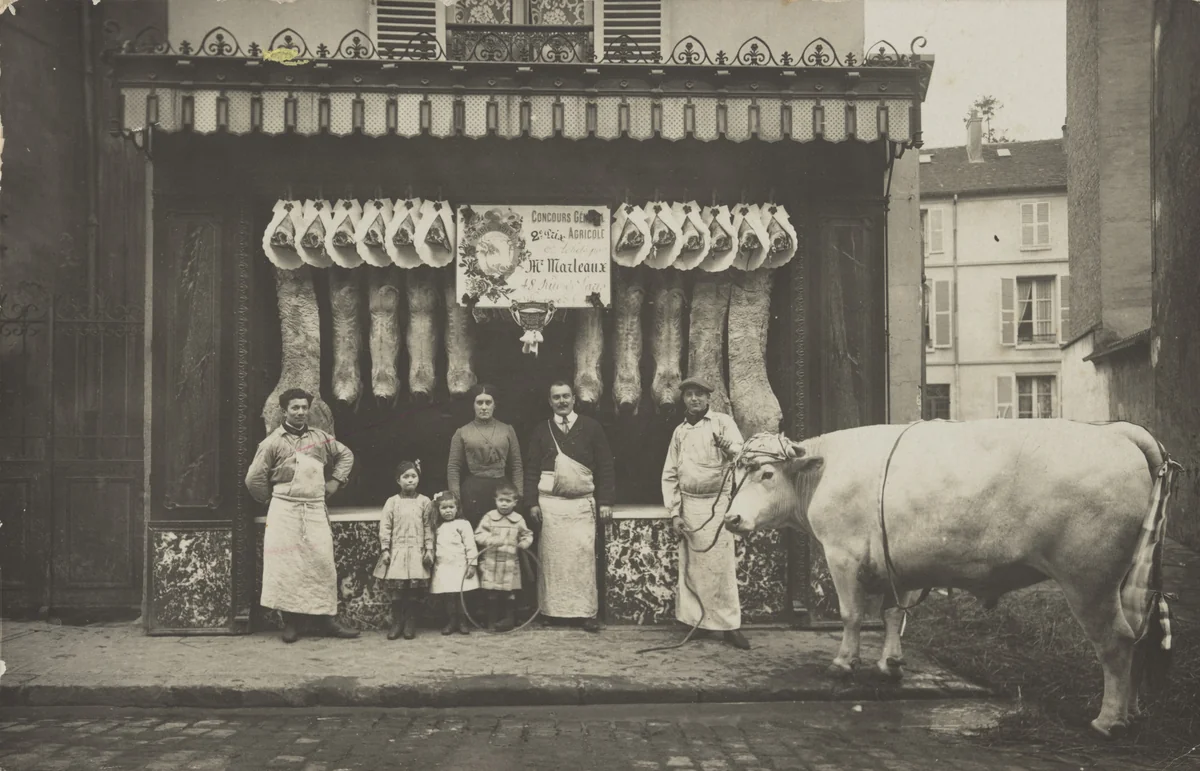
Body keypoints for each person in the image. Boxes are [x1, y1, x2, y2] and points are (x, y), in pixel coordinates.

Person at [245, 388, 360, 644]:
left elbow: (346, 455)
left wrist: (335, 481)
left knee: (322, 562)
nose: (300, 412)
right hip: (284, 509)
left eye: (304, 408)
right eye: (294, 408)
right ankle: (291, 623)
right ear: (284, 411)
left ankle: (327, 619)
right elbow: (254, 478)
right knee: (287, 566)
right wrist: (272, 499)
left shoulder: (320, 438)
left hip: (315, 507)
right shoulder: (273, 442)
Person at [661, 377, 750, 650]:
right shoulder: (679, 432)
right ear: (683, 399)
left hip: (717, 504)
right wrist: (675, 513)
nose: (694, 399)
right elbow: (670, 473)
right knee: (692, 567)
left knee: (721, 568)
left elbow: (743, 455)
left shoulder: (722, 423)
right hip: (689, 505)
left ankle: (729, 626)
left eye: (699, 394)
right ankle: (695, 622)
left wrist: (728, 448)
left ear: (709, 398)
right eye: (689, 395)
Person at [524, 380, 615, 633]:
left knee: (583, 559)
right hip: (551, 506)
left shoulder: (592, 427)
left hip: (581, 506)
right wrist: (531, 502)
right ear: (550, 401)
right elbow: (531, 468)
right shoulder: (542, 430)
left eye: (566, 396)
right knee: (551, 561)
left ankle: (587, 613)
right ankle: (551, 612)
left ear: (574, 399)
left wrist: (606, 501)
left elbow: (606, 465)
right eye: (556, 397)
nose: (562, 401)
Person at [447, 384, 524, 530]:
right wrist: (455, 497)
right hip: (473, 491)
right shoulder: (462, 432)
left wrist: (518, 495)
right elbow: (453, 467)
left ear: (495, 405)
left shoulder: (507, 430)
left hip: (502, 491)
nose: (484, 407)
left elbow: (517, 466)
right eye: (479, 402)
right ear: (473, 405)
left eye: (488, 402)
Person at [372, 460, 434, 641]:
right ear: (398, 481)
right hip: (398, 550)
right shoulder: (392, 502)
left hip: (416, 550)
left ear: (418, 479)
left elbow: (428, 526)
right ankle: (397, 622)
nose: (410, 480)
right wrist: (385, 549)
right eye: (405, 477)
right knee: (398, 590)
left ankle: (410, 623)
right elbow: (385, 527)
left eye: (413, 476)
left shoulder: (425, 501)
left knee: (413, 591)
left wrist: (429, 549)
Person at [473, 482, 534, 632]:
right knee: (492, 592)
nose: (504, 504)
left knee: (509, 592)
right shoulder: (489, 517)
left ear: (515, 502)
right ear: (495, 500)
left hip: (510, 563)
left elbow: (527, 534)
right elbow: (478, 535)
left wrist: (524, 543)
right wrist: (491, 540)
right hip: (491, 562)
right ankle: (491, 621)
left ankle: (508, 620)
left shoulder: (518, 519)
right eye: (501, 500)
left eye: (508, 501)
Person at [429, 491, 478, 636]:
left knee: (460, 595)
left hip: (460, 566)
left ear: (457, 508)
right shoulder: (437, 527)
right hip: (443, 567)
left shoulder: (463, 524)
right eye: (444, 508)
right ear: (438, 510)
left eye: (451, 507)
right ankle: (451, 621)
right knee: (449, 596)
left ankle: (462, 621)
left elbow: (470, 544)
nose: (448, 511)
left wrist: (472, 564)